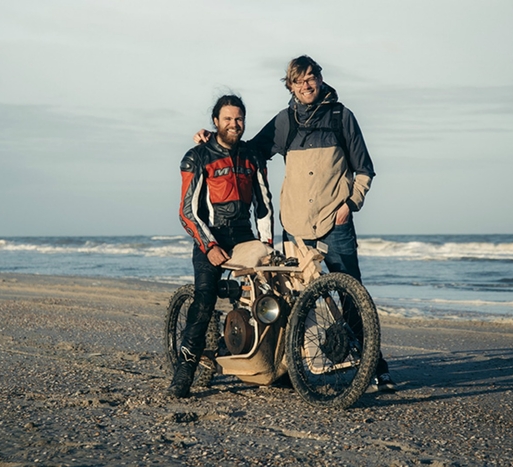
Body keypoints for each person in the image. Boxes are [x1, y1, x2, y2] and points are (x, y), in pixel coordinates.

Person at [195, 56, 395, 392]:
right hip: (295, 226)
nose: (306, 85)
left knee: (352, 296)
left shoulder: (341, 116)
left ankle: (376, 366)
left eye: (311, 78)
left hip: (335, 222)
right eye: (299, 81)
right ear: (290, 86)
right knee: (291, 300)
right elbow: (247, 151)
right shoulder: (285, 121)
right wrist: (213, 141)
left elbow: (364, 169)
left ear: (319, 79)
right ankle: (289, 367)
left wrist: (350, 204)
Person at [169, 94, 274, 398]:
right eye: (227, 118)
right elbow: (187, 212)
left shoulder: (252, 157)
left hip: (244, 237)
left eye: (239, 119)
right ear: (215, 121)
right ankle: (184, 371)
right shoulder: (197, 156)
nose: (234, 124)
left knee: (267, 295)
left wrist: (267, 247)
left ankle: (267, 361)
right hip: (210, 237)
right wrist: (210, 245)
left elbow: (264, 206)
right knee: (203, 301)